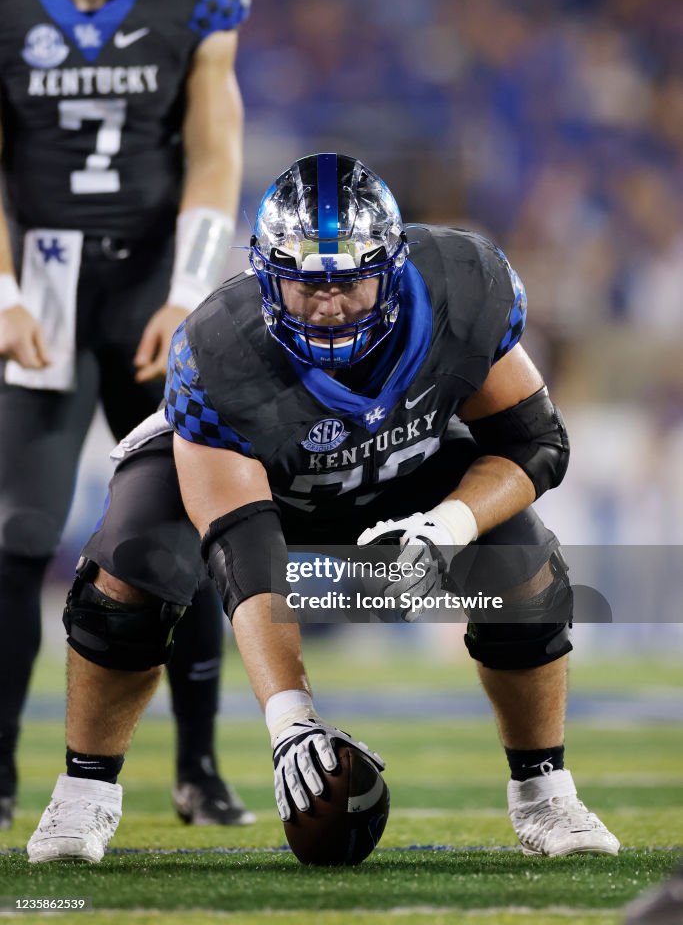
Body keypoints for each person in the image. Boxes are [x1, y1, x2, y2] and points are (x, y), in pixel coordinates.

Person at [27, 152, 619, 863]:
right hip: (260, 479)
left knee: (523, 570)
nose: (329, 303)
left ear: (393, 268)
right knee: (126, 574)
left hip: (404, 467)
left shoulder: (463, 286)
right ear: (267, 276)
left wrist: (447, 524)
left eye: (350, 280)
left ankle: (544, 792)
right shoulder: (220, 350)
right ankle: (82, 796)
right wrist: (291, 720)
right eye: (306, 285)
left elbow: (534, 443)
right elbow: (243, 554)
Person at [0, 0, 255, 828]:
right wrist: (4, 297)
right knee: (17, 535)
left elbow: (216, 145)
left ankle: (196, 765)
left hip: (156, 283)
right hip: (46, 288)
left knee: (186, 532)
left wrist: (189, 291)